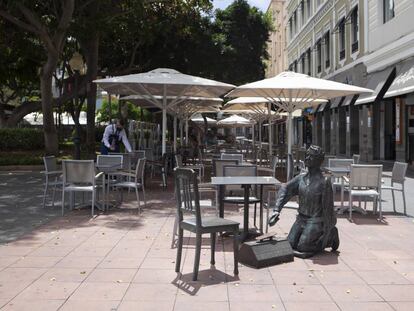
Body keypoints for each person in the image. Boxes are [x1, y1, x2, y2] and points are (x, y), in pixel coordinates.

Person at [268, 145, 339, 258]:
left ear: (318, 161)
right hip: (301, 218)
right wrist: (277, 210)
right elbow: (285, 188)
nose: (307, 158)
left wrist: (328, 228)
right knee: (290, 244)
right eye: (307, 155)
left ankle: (331, 236)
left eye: (310, 157)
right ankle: (307, 238)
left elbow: (329, 209)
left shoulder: (324, 182)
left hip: (315, 220)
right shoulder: (301, 178)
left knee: (303, 247)